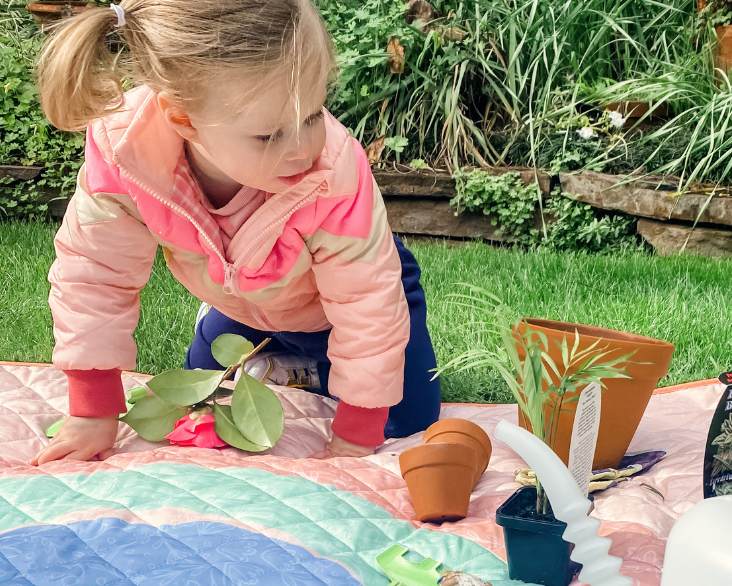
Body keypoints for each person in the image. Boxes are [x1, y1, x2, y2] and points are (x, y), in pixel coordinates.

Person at [31, 0, 440, 466]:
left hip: (353, 300)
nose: (305, 147)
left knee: (403, 425)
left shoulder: (334, 170)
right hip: (246, 304)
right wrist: (92, 409)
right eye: (270, 135)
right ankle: (264, 351)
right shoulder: (126, 156)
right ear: (184, 120)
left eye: (313, 116)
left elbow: (369, 307)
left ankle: (310, 367)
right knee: (201, 413)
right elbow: (94, 275)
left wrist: (355, 435)